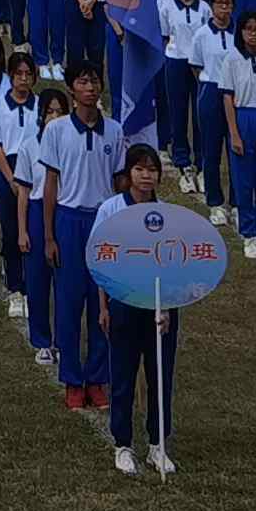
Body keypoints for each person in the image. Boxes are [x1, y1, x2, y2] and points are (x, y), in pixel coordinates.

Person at [99, 140, 183, 472]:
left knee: (160, 377)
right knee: (123, 374)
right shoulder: (111, 210)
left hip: (160, 306)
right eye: (139, 169)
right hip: (123, 303)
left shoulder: (167, 215)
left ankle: (157, 444)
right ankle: (122, 444)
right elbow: (99, 262)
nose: (146, 176)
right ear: (129, 173)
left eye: (152, 170)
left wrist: (166, 310)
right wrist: (104, 307)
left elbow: (176, 267)